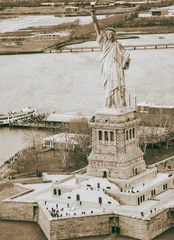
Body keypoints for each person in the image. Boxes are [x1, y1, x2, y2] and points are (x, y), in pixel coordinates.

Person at [91, 11, 130, 108]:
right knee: (109, 84)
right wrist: (94, 17)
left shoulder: (118, 45)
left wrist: (127, 59)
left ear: (114, 35)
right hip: (106, 66)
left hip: (116, 67)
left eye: (111, 34)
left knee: (117, 83)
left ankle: (119, 102)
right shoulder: (104, 43)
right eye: (108, 34)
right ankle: (109, 103)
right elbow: (97, 29)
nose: (109, 35)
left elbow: (125, 56)